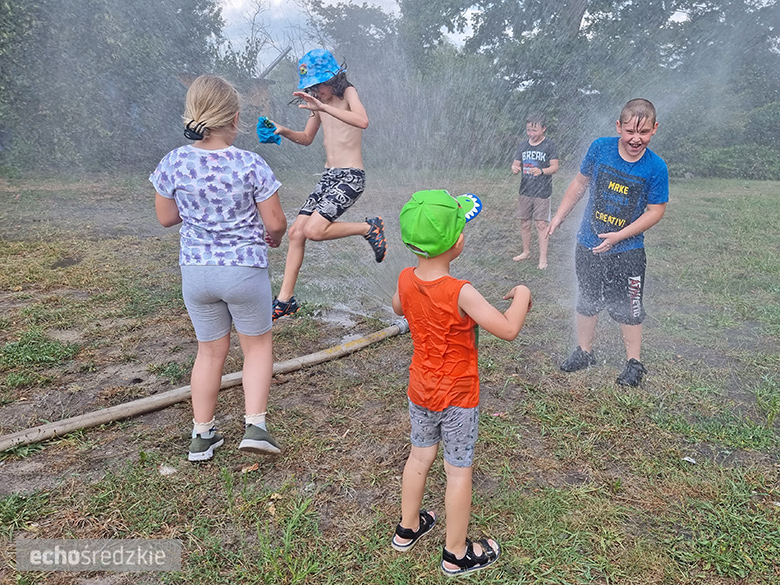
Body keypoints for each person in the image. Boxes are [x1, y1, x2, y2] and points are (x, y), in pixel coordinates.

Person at [390, 189, 532, 577]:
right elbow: (508, 328)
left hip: (420, 390)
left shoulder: (405, 278)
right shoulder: (460, 291)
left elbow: (398, 307)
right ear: (458, 242)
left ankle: (408, 528)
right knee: (457, 472)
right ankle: (455, 553)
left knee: (419, 457)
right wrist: (523, 293)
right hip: (457, 397)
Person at [150, 75, 288, 461]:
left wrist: (200, 211)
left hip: (197, 272)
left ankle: (202, 435)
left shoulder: (174, 162)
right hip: (244, 269)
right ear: (236, 118)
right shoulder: (251, 164)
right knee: (256, 346)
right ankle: (255, 426)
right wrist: (273, 237)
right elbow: (276, 223)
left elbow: (165, 217)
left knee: (209, 353)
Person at [548, 98, 669, 387]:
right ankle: (584, 352)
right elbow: (580, 183)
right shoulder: (600, 148)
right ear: (618, 127)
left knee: (629, 306)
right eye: (629, 131)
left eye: (643, 133)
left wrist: (619, 236)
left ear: (654, 129)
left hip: (628, 250)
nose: (635, 139)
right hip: (588, 242)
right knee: (587, 297)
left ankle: (634, 362)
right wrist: (560, 215)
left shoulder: (656, 167)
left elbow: (656, 211)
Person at [269, 49, 386, 320]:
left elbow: (363, 121)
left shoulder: (348, 94)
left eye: (318, 85)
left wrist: (324, 107)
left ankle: (369, 228)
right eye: (311, 87)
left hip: (351, 176)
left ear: (333, 79)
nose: (315, 92)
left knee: (314, 230)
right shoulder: (319, 103)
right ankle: (285, 300)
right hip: (329, 175)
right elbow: (307, 138)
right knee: (297, 233)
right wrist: (283, 130)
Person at [511, 112, 559, 269]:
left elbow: (555, 167)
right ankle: (526, 252)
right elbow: (516, 164)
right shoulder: (523, 145)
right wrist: (515, 168)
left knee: (541, 225)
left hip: (542, 192)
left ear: (543, 128)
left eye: (535, 130)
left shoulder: (549, 145)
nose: (531, 134)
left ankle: (543, 259)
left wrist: (542, 171)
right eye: (528, 130)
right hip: (525, 190)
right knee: (525, 223)